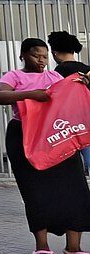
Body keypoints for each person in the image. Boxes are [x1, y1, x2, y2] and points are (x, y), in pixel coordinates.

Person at [0, 37, 90, 254]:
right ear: (23, 56)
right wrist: (30, 94)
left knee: (76, 187)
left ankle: (73, 247)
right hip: (25, 136)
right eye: (36, 55)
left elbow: (68, 95)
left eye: (45, 56)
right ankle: (42, 245)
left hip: (57, 137)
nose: (41, 60)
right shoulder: (14, 76)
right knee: (35, 190)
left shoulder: (55, 76)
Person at [49, 31, 90, 171]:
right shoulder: (87, 70)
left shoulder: (59, 71)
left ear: (54, 52)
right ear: (73, 50)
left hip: (71, 125)